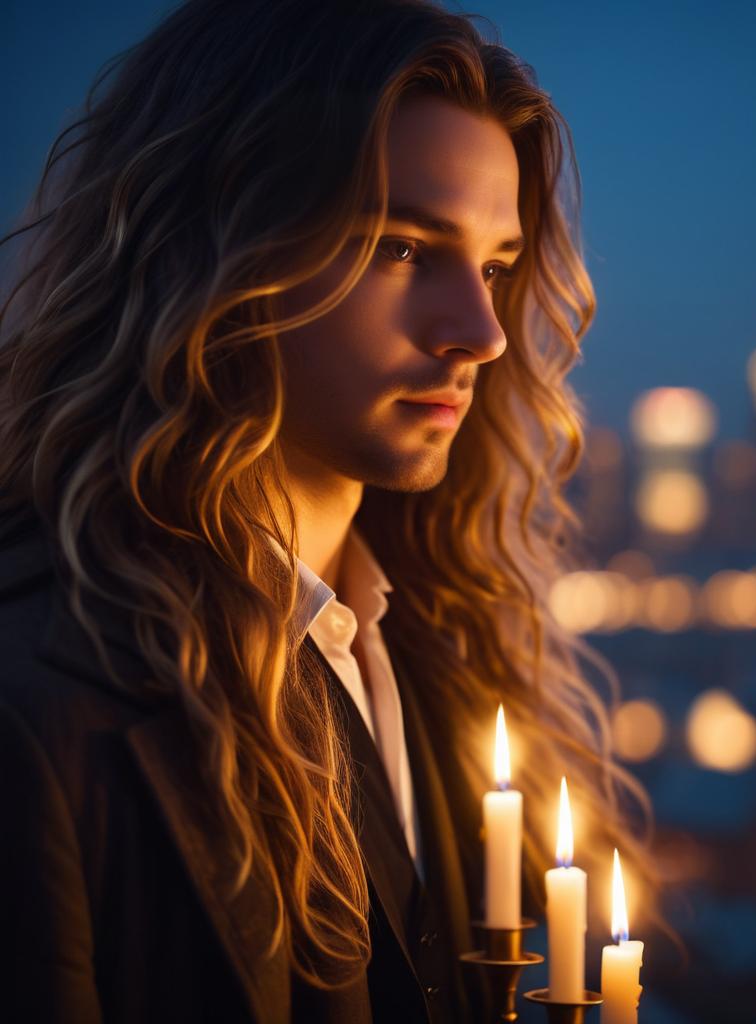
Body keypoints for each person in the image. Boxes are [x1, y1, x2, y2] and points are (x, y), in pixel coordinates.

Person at [0, 1, 654, 1021]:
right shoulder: (41, 704)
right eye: (401, 248)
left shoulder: (447, 665)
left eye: (493, 266)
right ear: (219, 249)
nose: (481, 331)